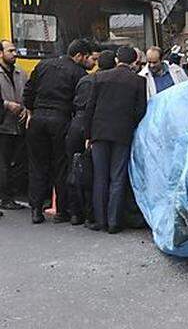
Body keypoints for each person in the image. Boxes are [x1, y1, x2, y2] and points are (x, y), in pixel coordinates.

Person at [23, 39, 91, 224]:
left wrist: (30, 111)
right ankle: (62, 210)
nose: (88, 61)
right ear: (78, 55)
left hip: (37, 118)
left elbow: (28, 90)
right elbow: (79, 102)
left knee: (37, 165)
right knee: (61, 165)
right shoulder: (79, 73)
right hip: (61, 119)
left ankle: (36, 210)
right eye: (86, 57)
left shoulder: (43, 64)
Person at [84, 46, 147, 233]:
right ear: (135, 61)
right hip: (123, 134)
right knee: (118, 177)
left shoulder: (99, 77)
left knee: (100, 177)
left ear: (117, 59)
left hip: (99, 132)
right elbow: (140, 111)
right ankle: (114, 222)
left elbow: (90, 108)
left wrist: (88, 134)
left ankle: (100, 220)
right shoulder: (138, 81)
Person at [65, 50, 117, 226]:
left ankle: (74, 212)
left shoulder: (85, 79)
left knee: (74, 168)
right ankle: (90, 214)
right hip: (93, 128)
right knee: (93, 172)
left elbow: (75, 103)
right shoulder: (107, 82)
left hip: (76, 125)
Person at [0, 40, 28, 211]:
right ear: (1, 53)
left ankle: (11, 194)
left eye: (15, 50)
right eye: (10, 50)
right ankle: (5, 197)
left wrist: (27, 109)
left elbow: (28, 93)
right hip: (3, 125)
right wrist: (6, 104)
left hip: (19, 124)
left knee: (16, 163)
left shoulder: (21, 73)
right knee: (3, 164)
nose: (14, 53)